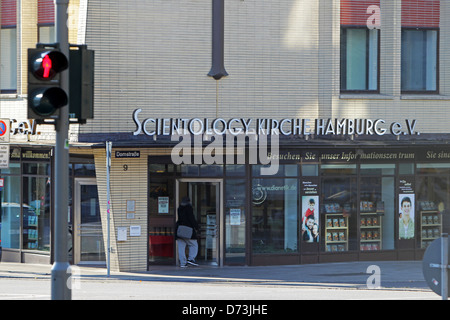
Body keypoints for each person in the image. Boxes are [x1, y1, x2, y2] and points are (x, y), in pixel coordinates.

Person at [176, 196, 199, 267]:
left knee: (181, 246)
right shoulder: (189, 208)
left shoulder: (179, 208)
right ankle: (191, 259)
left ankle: (183, 263)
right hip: (188, 229)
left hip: (179, 229)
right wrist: (196, 227)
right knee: (193, 244)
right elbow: (191, 218)